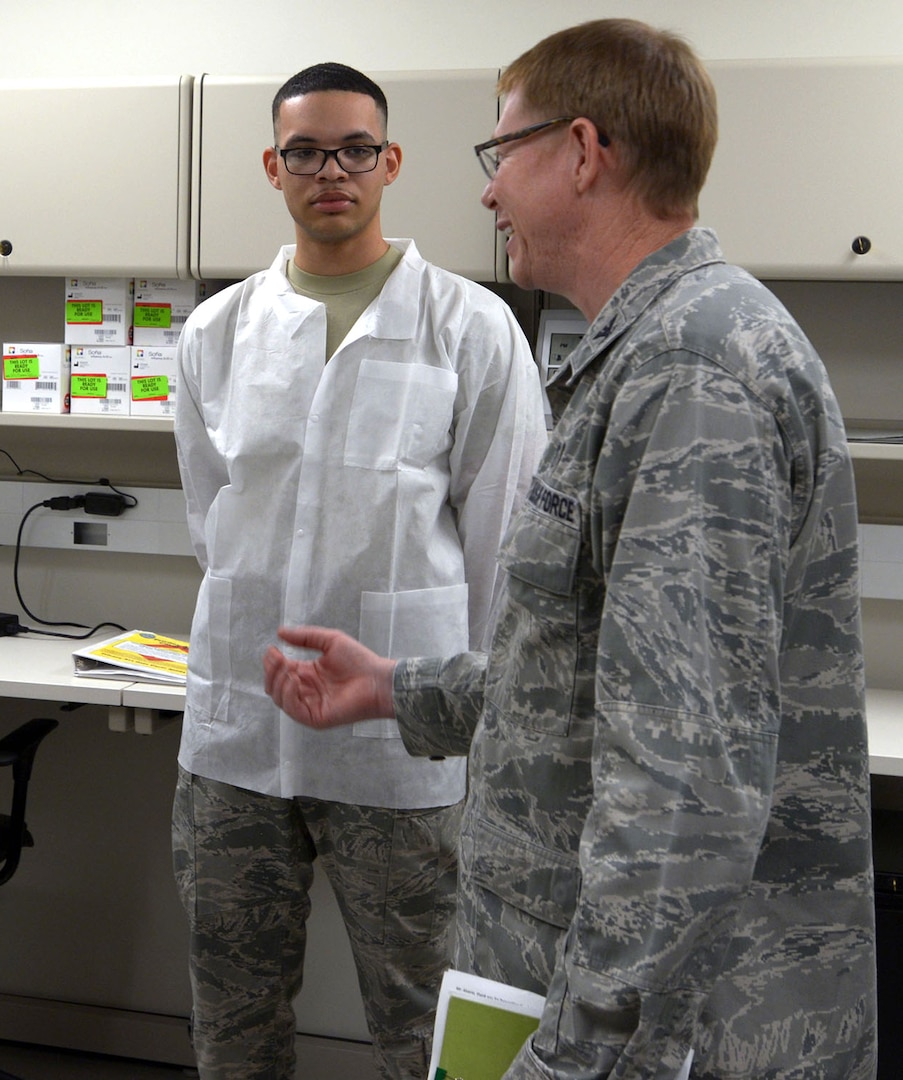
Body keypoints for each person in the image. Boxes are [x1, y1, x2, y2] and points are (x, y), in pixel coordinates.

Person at [264, 20, 877, 1078]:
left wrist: (571, 1056)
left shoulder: (691, 375)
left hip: (656, 1032)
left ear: (582, 153)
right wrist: (396, 690)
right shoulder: (645, 354)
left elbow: (680, 787)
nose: (488, 192)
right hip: (581, 989)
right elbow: (591, 679)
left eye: (501, 155)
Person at [172, 62, 547, 1079]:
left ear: (388, 163)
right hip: (234, 742)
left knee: (426, 1021)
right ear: (272, 166)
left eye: (351, 150)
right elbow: (212, 520)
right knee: (231, 1019)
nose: (327, 170)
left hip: (400, 747)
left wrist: (469, 712)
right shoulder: (215, 335)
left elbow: (503, 544)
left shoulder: (467, 327)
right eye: (304, 151)